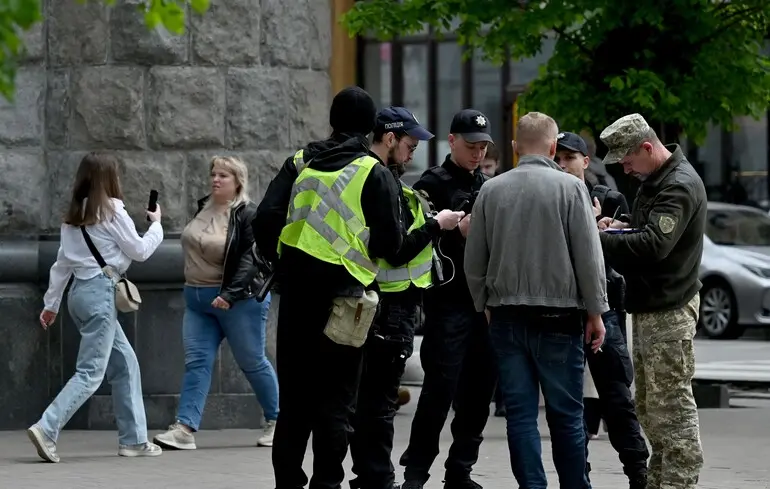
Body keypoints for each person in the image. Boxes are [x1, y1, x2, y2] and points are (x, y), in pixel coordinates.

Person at [253, 86, 404, 489]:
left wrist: (284, 261)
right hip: (347, 302)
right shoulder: (373, 172)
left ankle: (287, 482)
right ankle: (327, 483)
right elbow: (392, 245)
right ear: (372, 127)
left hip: (298, 297)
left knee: (294, 403)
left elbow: (264, 219)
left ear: (332, 121)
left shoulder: (300, 162)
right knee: (336, 404)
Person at [464, 112, 607, 489]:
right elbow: (588, 257)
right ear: (554, 147)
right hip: (559, 316)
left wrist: (485, 305)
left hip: (507, 315)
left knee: (521, 417)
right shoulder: (571, 189)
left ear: (513, 148)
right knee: (566, 416)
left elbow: (474, 260)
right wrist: (596, 311)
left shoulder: (491, 190)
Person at [349, 107, 465, 489]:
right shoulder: (379, 176)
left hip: (379, 303)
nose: (414, 150)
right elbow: (394, 250)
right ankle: (378, 479)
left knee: (368, 401)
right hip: (390, 306)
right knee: (379, 404)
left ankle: (370, 475)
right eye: (409, 143)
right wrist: (438, 225)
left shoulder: (369, 173)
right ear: (388, 138)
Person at [31, 152, 164, 463]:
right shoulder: (113, 212)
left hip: (78, 295)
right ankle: (46, 428)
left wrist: (51, 304)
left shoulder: (74, 215)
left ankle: (134, 440)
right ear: (110, 178)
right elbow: (141, 251)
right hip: (101, 295)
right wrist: (157, 225)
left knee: (125, 363)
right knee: (91, 372)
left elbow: (61, 265)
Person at [597, 113, 707, 489]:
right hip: (651, 306)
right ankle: (660, 482)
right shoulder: (656, 179)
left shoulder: (678, 185)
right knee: (649, 407)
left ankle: (678, 483)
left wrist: (596, 239)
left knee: (671, 410)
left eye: (628, 161)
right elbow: (646, 227)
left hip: (669, 310)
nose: (626, 170)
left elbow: (655, 244)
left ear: (647, 147)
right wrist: (621, 225)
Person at [399, 109, 498, 489]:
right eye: (471, 145)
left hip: (485, 303)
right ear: (452, 141)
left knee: (478, 393)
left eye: (483, 146)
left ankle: (461, 469)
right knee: (439, 389)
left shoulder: (491, 185)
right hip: (448, 302)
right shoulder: (431, 184)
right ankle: (417, 471)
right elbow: (416, 236)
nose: (477, 153)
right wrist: (452, 230)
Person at [153, 156, 279, 450]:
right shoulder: (203, 207)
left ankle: (277, 420)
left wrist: (230, 294)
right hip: (197, 301)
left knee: (252, 361)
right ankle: (184, 428)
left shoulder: (247, 214)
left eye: (223, 175)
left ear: (238, 182)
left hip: (237, 302)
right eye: (213, 174)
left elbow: (251, 258)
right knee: (196, 363)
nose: (215, 179)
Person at [555, 131, 649, 489]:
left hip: (603, 303)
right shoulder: (550, 196)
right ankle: (579, 477)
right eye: (558, 158)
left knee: (616, 396)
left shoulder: (607, 198)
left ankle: (638, 472)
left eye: (569, 158)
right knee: (568, 401)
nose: (563, 165)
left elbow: (628, 249)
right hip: (563, 306)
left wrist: (599, 229)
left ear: (585, 160)